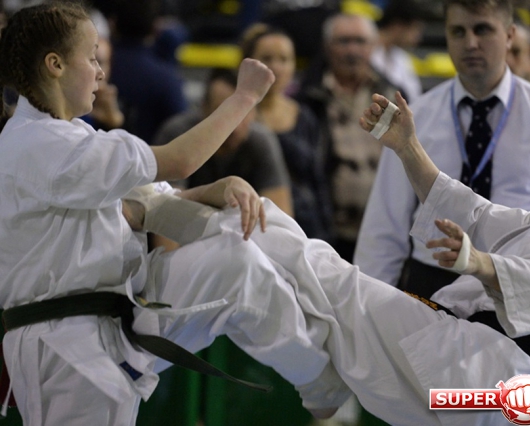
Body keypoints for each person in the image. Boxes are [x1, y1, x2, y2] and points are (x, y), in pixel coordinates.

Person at [124, 93, 530, 426]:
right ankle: (317, 378)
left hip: (483, 371)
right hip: (491, 382)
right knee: (305, 276)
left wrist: (480, 265)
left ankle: (162, 208)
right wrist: (408, 148)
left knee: (314, 269)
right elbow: (479, 214)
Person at [0, 3, 348, 424]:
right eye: (91, 58)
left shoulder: (69, 138)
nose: (100, 72)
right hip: (67, 345)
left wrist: (214, 190)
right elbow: (179, 160)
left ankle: (317, 380)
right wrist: (244, 98)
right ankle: (320, 381)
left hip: (112, 320)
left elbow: (142, 206)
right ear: (54, 65)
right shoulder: (38, 143)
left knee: (234, 264)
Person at [355, 0, 530, 300]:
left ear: (510, 35)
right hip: (433, 277)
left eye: (482, 30)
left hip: (516, 275)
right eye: (458, 32)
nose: (470, 43)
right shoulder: (418, 115)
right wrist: (367, 303)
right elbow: (385, 225)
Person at [297, 13, 400, 262]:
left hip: (384, 233)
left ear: (373, 46)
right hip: (326, 235)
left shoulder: (394, 95)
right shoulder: (307, 98)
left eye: (360, 41)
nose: (352, 50)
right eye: (343, 41)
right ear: (327, 46)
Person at [154, 67, 293, 216]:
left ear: (255, 113)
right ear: (204, 109)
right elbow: (164, 210)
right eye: (223, 111)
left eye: (243, 111)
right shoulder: (177, 134)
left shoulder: (261, 140)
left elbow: (281, 215)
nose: (234, 125)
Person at [240, 23, 332, 241]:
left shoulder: (305, 116)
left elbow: (317, 180)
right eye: (267, 58)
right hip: (248, 228)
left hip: (303, 228)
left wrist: (326, 233)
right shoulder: (235, 116)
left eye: (284, 59)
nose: (276, 67)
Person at [106, 0, 188, 142]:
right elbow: (180, 131)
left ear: (112, 24)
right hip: (152, 153)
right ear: (155, 28)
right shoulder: (166, 79)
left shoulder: (95, 69)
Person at [371, 0, 428, 103]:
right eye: (415, 29)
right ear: (398, 26)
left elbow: (414, 98)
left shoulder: (403, 58)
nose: (418, 38)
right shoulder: (364, 52)